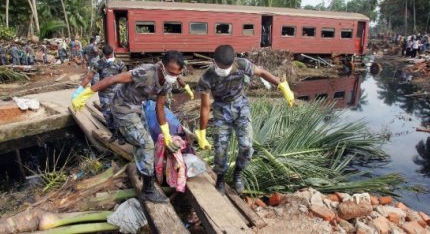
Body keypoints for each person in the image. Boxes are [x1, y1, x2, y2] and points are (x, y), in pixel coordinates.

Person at [72, 50, 185, 203]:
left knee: (143, 139)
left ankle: (142, 169)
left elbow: (160, 107)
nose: (173, 77)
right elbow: (112, 79)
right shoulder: (145, 72)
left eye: (176, 74)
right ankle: (148, 190)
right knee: (146, 144)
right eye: (171, 72)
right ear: (162, 67)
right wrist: (86, 94)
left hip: (137, 107)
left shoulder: (167, 82)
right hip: (122, 107)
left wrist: (166, 135)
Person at [195, 45, 294, 194]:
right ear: (214, 62)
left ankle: (238, 174)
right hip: (221, 110)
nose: (224, 71)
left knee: (247, 146)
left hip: (241, 107)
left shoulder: (242, 64)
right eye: (220, 68)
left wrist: (281, 85)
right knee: (220, 149)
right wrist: (202, 133)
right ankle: (220, 178)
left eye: (226, 68)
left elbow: (261, 72)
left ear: (233, 61)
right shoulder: (207, 77)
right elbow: (205, 106)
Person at [72, 45, 126, 141]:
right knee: (109, 114)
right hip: (107, 93)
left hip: (115, 93)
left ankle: (121, 134)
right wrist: (80, 90)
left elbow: (88, 77)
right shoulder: (99, 64)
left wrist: (80, 89)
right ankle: (115, 134)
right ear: (111, 52)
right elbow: (89, 77)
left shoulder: (119, 63)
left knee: (114, 113)